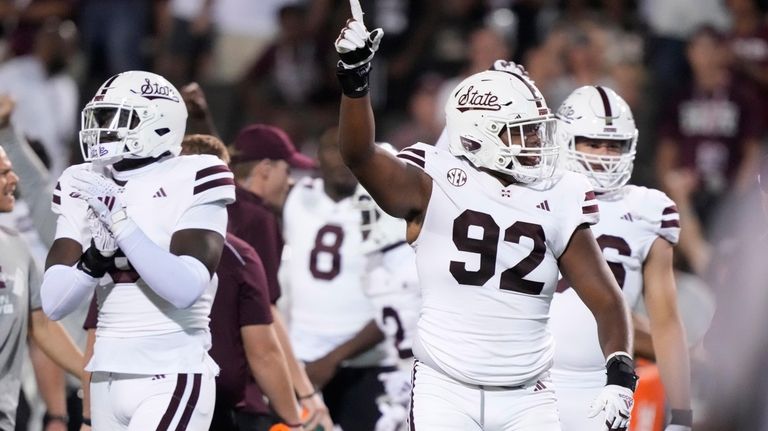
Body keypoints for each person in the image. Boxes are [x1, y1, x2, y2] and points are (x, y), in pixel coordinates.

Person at [334, 17, 636, 431]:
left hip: (529, 393)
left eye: (535, 131)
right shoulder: (432, 179)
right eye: (523, 132)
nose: (536, 142)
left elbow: (606, 298)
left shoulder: (562, 191)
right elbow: (359, 155)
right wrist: (356, 83)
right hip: (445, 387)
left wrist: (620, 373)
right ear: (479, 135)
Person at [40, 70, 235, 430]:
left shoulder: (196, 173)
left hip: (171, 370)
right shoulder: (80, 180)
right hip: (104, 375)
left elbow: (185, 288)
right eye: (99, 117)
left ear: (158, 124)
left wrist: (121, 222)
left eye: (115, 118)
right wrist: (95, 259)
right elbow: (53, 302)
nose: (101, 128)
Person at [549, 86, 692, 430]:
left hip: (603, 388)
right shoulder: (536, 193)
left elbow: (667, 322)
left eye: (614, 145)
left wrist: (682, 415)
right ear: (565, 139)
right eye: (593, 143)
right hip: (530, 381)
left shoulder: (648, 210)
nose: (604, 155)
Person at [280, 127, 390, 430]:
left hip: (367, 364)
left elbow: (402, 299)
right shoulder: (298, 197)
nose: (343, 159)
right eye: (333, 149)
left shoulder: (387, 208)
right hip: (302, 362)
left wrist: (332, 360)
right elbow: (238, 182)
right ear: (316, 157)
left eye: (351, 149)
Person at [227, 124, 333, 431]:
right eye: (286, 171)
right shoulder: (256, 217)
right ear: (265, 169)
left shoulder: (213, 206)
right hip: (245, 389)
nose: (289, 182)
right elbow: (266, 316)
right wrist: (305, 394)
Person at [0, 143, 84, 430]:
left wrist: (90, 376)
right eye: (3, 173)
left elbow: (42, 326)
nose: (14, 180)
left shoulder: (17, 248)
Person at [353, 171, 421, 431]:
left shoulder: (376, 267)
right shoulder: (407, 256)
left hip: (406, 376)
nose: (364, 220)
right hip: (413, 375)